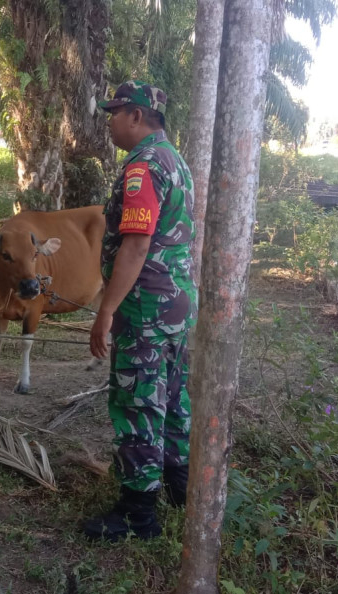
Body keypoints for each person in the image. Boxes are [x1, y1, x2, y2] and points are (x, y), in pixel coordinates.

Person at [84, 81, 197, 542]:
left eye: (114, 113)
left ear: (136, 115)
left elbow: (136, 243)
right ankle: (178, 488)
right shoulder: (177, 161)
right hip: (176, 307)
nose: (109, 121)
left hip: (146, 309)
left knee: (137, 404)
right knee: (172, 399)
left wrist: (106, 310)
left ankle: (137, 515)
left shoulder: (144, 167)